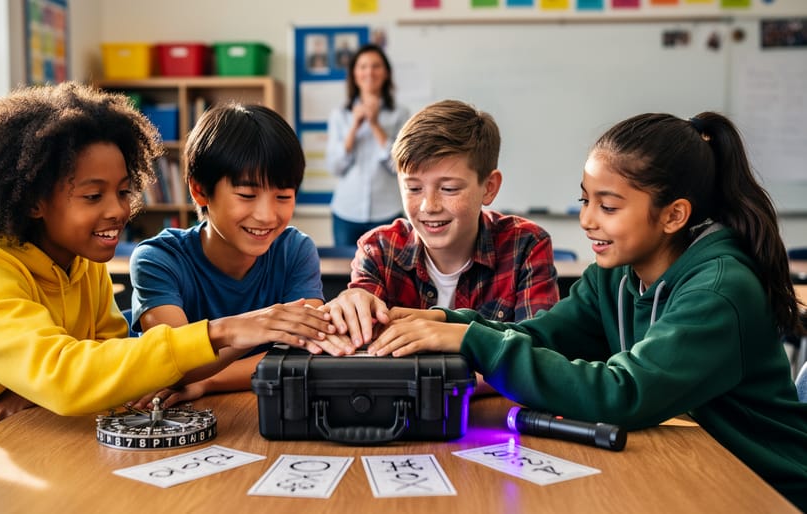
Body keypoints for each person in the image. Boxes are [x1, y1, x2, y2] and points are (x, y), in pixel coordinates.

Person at [364, 112, 807, 508]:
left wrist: (469, 340)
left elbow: (623, 394)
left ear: (673, 216)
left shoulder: (719, 290)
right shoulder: (615, 275)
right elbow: (542, 335)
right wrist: (447, 321)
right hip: (693, 469)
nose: (587, 220)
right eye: (585, 200)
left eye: (608, 206)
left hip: (763, 485)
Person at [0, 83, 341, 467]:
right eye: (93, 195)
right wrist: (226, 331)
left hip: (36, 437)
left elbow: (115, 362)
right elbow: (64, 375)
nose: (117, 211)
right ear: (34, 200)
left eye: (123, 191)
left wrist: (28, 391)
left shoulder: (83, 262)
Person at [129, 102, 349, 409]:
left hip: (257, 405)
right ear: (200, 190)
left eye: (283, 197)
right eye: (247, 195)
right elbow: (176, 366)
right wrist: (257, 327)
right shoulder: (158, 258)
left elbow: (304, 351)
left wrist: (208, 381)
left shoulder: (295, 250)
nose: (266, 215)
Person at [324, 100, 559, 348]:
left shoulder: (525, 245)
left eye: (449, 188)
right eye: (413, 188)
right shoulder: (379, 248)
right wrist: (352, 304)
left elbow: (537, 353)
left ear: (488, 188)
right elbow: (361, 338)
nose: (429, 206)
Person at [326, 43, 410, 247]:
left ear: (386, 73)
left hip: (387, 211)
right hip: (346, 212)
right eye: (363, 66)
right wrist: (354, 127)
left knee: (390, 275)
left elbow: (399, 166)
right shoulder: (340, 115)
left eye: (376, 66)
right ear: (354, 73)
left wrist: (374, 124)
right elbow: (335, 167)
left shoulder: (401, 114)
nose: (369, 72)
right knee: (345, 275)